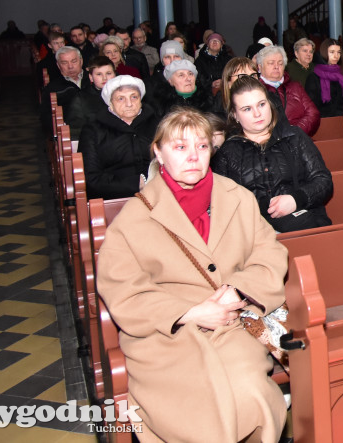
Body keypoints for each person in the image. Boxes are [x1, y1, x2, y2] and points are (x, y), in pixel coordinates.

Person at [96, 108, 288, 443]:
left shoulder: (237, 198)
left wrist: (238, 291)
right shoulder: (134, 218)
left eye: (201, 147)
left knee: (248, 391)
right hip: (167, 336)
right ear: (158, 151)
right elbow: (123, 289)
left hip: (232, 322)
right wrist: (189, 313)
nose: (193, 157)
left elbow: (269, 253)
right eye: (180, 147)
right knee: (195, 405)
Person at [213, 76, 333, 233]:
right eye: (247, 109)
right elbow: (222, 204)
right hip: (253, 232)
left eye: (261, 104)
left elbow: (323, 181)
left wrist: (296, 199)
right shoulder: (228, 152)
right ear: (234, 115)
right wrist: (262, 209)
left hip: (303, 222)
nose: (257, 114)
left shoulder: (293, 136)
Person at [79, 75, 158, 199]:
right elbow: (92, 179)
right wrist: (135, 184)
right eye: (120, 99)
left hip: (158, 192)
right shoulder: (93, 130)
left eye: (134, 97)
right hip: (115, 198)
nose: (129, 104)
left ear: (141, 100)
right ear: (110, 104)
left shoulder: (157, 124)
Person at [255, 44, 320, 136]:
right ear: (260, 67)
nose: (276, 66)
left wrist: (294, 132)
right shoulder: (254, 90)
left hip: (298, 140)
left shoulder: (296, 87)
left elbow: (313, 114)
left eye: (280, 63)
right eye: (271, 63)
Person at [40, 45, 92, 133]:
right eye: (64, 63)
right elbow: (46, 117)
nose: (70, 66)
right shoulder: (53, 88)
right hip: (71, 132)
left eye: (74, 61)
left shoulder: (94, 79)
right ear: (58, 65)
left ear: (81, 61)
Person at [148, 58, 213, 116]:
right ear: (170, 81)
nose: (188, 79)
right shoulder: (161, 105)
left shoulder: (207, 100)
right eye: (181, 75)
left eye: (190, 74)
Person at [305, 39, 343, 117]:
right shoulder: (314, 77)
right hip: (322, 121)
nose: (336, 56)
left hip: (341, 120)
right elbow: (311, 107)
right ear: (324, 52)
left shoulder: (341, 74)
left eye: (338, 52)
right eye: (332, 52)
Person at [79, 56, 117, 120]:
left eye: (108, 73)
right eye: (99, 74)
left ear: (115, 74)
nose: (104, 78)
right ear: (91, 77)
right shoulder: (81, 98)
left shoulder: (124, 93)